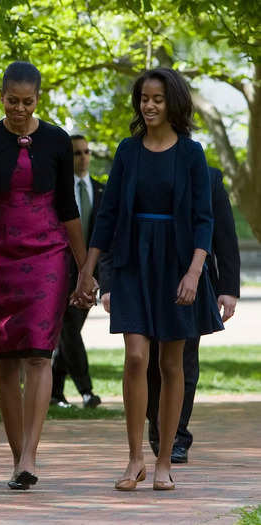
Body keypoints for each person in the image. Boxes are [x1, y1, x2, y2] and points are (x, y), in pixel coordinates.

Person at [77, 68, 224, 491]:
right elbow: (106, 216)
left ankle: (163, 460)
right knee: (137, 357)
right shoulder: (127, 150)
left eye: (157, 97)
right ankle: (134, 458)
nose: (149, 104)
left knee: (171, 362)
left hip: (177, 264)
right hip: (131, 261)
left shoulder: (192, 154)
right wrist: (88, 269)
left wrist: (195, 272)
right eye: (144, 97)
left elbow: (204, 220)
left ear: (173, 102)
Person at [0, 61, 94, 490]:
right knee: (4, 358)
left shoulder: (56, 141)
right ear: (1, 96)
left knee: (39, 354)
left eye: (28, 102)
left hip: (47, 253)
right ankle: (18, 455)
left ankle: (31, 455)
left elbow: (68, 209)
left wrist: (84, 269)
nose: (19, 109)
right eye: (12, 101)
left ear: (39, 99)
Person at [143, 166, 239, 463]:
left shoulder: (208, 176)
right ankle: (159, 429)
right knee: (148, 361)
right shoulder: (140, 164)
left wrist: (229, 288)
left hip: (193, 280)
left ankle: (176, 435)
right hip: (147, 276)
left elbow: (224, 233)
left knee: (184, 358)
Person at [51, 135, 104, 409]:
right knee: (68, 329)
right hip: (58, 272)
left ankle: (55, 392)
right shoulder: (57, 192)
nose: (82, 157)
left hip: (89, 274)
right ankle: (86, 390)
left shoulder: (101, 190)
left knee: (67, 331)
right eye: (76, 153)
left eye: (86, 151)